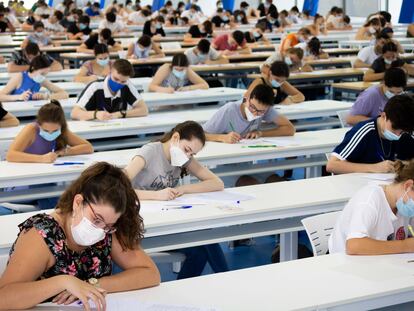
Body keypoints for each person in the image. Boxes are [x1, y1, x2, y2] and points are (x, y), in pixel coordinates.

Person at [0, 162, 160, 310]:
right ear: (78, 202)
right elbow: (4, 297)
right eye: (96, 219)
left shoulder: (108, 229)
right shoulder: (43, 233)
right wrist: (63, 281)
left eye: (109, 226)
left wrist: (94, 284)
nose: (100, 231)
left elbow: (150, 273)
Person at [124, 121, 227, 279]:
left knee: (204, 241)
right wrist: (157, 195)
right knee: (204, 244)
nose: (188, 156)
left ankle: (189, 288)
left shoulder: (182, 158)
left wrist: (182, 189)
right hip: (140, 225)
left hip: (166, 221)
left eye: (192, 154)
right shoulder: (150, 151)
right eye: (187, 150)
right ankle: (226, 278)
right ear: (175, 138)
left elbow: (217, 183)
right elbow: (119, 187)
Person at [329, 159, 414, 255]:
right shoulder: (369, 200)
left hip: (380, 261)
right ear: (408, 186)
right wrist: (404, 245)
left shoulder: (404, 203)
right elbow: (354, 246)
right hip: (345, 262)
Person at [326, 94, 414, 174]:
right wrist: (374, 167)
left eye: (402, 132)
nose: (398, 135)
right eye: (394, 128)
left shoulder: (406, 132)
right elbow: (332, 165)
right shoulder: (365, 131)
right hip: (356, 184)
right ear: (383, 116)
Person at [203, 84, 295, 143]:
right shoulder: (229, 110)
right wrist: (222, 138)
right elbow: (200, 134)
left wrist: (260, 133)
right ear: (247, 98)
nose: (255, 113)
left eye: (260, 112)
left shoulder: (266, 109)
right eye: (252, 107)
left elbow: (290, 129)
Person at [6, 100, 93, 163]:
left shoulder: (62, 130)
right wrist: (41, 159)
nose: (50, 134)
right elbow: (10, 155)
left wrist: (64, 152)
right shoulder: (31, 129)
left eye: (55, 131)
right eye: (46, 130)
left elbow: (88, 147)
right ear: (39, 124)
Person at [72, 59, 147, 121]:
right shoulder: (95, 87)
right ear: (110, 72)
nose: (118, 83)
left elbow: (144, 110)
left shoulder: (127, 85)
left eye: (123, 81)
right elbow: (74, 113)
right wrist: (96, 114)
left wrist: (120, 114)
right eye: (116, 79)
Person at [0, 55, 68, 101]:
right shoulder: (19, 77)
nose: (43, 77)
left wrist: (46, 96)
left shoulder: (42, 80)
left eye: (45, 74)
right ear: (33, 68)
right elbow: (1, 96)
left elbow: (64, 94)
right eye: (42, 73)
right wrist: (18, 97)